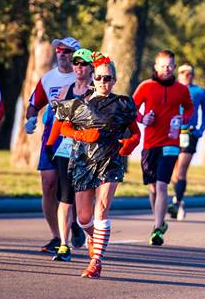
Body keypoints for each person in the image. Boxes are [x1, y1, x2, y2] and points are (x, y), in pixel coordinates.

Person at [50, 55, 139, 278]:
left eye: (107, 78)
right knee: (83, 218)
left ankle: (96, 261)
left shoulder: (123, 103)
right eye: (99, 78)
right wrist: (81, 134)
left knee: (101, 208)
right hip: (83, 160)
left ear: (114, 80)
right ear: (93, 79)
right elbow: (63, 129)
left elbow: (135, 131)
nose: (103, 82)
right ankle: (92, 236)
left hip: (110, 159)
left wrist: (131, 143)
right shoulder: (80, 104)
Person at [24, 36, 80, 252]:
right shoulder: (48, 78)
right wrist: (29, 119)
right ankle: (57, 236)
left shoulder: (85, 78)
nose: (61, 54)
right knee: (48, 185)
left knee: (72, 187)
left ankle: (75, 223)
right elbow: (34, 104)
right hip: (52, 138)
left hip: (76, 139)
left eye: (66, 51)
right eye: (59, 51)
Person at [132, 50, 194, 246]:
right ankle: (159, 222)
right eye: (163, 65)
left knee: (161, 185)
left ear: (174, 67)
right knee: (152, 187)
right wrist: (143, 119)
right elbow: (131, 108)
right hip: (150, 143)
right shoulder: (146, 87)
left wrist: (183, 119)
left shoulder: (181, 89)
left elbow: (190, 108)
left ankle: (158, 228)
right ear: (156, 67)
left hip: (171, 143)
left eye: (170, 65)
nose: (167, 69)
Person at [44, 48, 94, 261]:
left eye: (83, 64)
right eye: (76, 63)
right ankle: (64, 246)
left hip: (89, 152)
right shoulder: (66, 90)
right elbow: (58, 120)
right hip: (66, 149)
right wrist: (50, 142)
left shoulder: (96, 91)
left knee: (84, 203)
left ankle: (92, 238)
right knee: (64, 198)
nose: (78, 67)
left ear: (91, 67)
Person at [168, 64, 205, 220]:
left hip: (189, 133)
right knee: (173, 170)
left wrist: (200, 129)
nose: (186, 75)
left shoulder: (200, 92)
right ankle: (179, 203)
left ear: (193, 75)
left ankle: (176, 201)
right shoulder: (171, 88)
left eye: (189, 73)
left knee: (181, 170)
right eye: (183, 72)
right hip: (172, 132)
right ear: (178, 74)